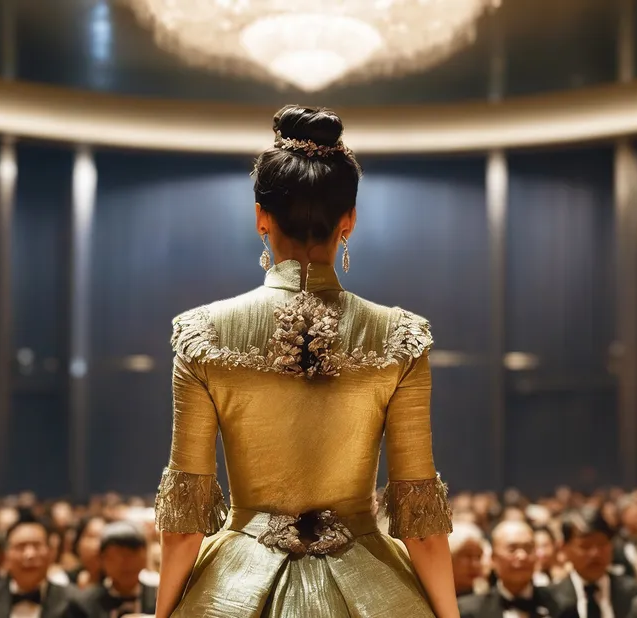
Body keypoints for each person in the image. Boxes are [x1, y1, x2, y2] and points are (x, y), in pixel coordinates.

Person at [153, 105, 456, 618]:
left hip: (233, 588)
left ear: (261, 217)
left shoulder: (202, 333)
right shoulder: (402, 337)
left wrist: (165, 614)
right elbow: (421, 520)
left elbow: (184, 524)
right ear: (349, 221)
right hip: (372, 586)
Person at [0, 513, 71, 618]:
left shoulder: (73, 602)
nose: (29, 555)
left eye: (37, 546)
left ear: (51, 553)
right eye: (20, 547)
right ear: (5, 555)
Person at [549, 508, 637, 618]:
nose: (595, 553)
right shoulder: (552, 597)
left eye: (601, 544)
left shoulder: (633, 593)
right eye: (585, 546)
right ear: (565, 549)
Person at [459, 521, 559, 618]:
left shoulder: (560, 604)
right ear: (493, 558)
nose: (522, 556)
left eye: (528, 548)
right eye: (512, 549)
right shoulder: (470, 611)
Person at [64, 522, 157, 618]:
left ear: (145, 557)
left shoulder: (160, 598)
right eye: (117, 557)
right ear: (102, 559)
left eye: (132, 555)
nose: (126, 564)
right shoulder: (83, 603)